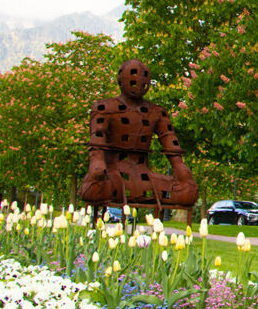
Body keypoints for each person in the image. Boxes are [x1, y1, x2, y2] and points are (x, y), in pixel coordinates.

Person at [79, 60, 198, 212]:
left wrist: (180, 167)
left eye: (144, 77)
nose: (139, 82)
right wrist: (97, 163)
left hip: (146, 176)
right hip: (113, 174)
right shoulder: (104, 107)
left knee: (188, 193)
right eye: (133, 77)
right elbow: (98, 138)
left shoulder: (156, 111)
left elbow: (170, 141)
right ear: (121, 79)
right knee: (93, 189)